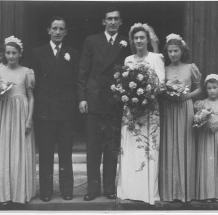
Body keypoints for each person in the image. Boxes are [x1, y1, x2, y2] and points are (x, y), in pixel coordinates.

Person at [77, 6, 129, 201]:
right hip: (94, 99)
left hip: (114, 101)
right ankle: (92, 189)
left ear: (120, 22)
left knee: (111, 147)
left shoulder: (126, 43)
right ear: (103, 22)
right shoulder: (92, 41)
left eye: (116, 19)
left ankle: (109, 188)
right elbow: (83, 70)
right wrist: (82, 97)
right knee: (93, 146)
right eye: (109, 19)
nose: (113, 22)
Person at [31, 16, 79, 202]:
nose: (58, 32)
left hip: (66, 113)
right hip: (46, 112)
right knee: (45, 153)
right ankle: (46, 191)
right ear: (48, 31)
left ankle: (67, 190)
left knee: (66, 153)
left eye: (61, 29)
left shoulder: (72, 53)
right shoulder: (38, 53)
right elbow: (33, 85)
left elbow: (76, 82)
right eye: (55, 28)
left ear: (66, 32)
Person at [116, 23, 165, 205]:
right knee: (130, 149)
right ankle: (128, 190)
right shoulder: (128, 59)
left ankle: (147, 194)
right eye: (135, 38)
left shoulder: (156, 58)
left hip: (149, 111)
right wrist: (130, 96)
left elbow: (161, 84)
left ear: (148, 39)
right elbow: (124, 83)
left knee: (147, 150)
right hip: (131, 112)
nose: (138, 41)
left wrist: (146, 94)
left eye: (141, 37)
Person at [0, 36, 36, 205]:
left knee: (19, 150)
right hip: (5, 113)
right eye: (8, 53)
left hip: (21, 113)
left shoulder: (26, 72)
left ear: (20, 53)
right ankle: (4, 194)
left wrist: (29, 119)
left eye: (14, 53)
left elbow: (30, 97)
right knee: (5, 151)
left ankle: (19, 193)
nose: (10, 56)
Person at [159, 34, 202, 202]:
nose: (173, 54)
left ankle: (185, 191)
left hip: (185, 107)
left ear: (182, 50)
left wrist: (186, 96)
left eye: (176, 51)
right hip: (169, 108)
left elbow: (200, 89)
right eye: (170, 51)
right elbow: (160, 89)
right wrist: (168, 94)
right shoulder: (165, 68)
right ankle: (170, 191)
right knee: (170, 144)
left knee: (185, 143)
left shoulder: (191, 67)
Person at [195, 74, 218, 202]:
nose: (212, 91)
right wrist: (201, 122)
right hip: (206, 136)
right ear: (206, 89)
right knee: (207, 162)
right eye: (209, 88)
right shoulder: (202, 104)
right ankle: (207, 193)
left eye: (215, 88)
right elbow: (197, 118)